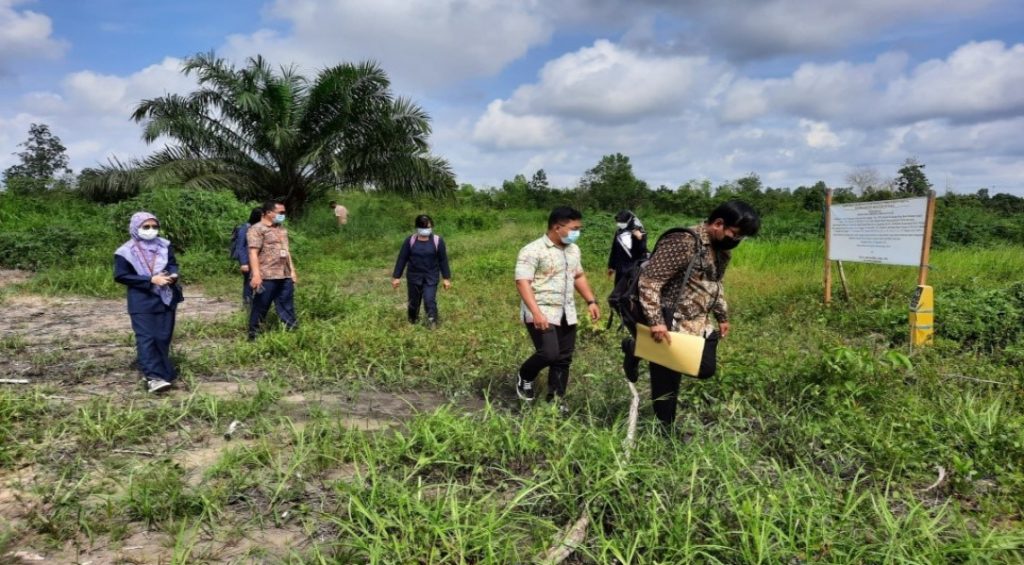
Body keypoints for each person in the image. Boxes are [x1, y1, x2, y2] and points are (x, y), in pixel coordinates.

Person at [631, 200, 760, 431]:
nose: (737, 240)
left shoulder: (720, 250)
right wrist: (656, 322)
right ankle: (665, 431)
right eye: (735, 233)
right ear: (718, 224)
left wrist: (722, 315)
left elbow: (715, 284)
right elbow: (650, 281)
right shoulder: (683, 241)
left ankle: (638, 347)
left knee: (705, 367)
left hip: (699, 322)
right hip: (670, 319)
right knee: (666, 380)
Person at [514, 206, 601, 412]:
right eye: (574, 228)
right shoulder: (532, 250)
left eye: (579, 228)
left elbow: (578, 275)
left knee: (563, 358)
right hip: (541, 309)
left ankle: (555, 400)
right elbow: (522, 282)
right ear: (557, 227)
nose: (577, 233)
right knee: (549, 353)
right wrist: (536, 313)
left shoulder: (573, 250)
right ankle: (525, 375)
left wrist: (591, 301)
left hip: (566, 311)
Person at [114, 212, 184, 393]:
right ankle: (153, 377)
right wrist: (150, 280)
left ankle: (163, 373)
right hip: (141, 300)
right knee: (146, 338)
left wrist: (173, 274)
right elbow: (121, 275)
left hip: (165, 297)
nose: (151, 230)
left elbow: (172, 264)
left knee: (163, 337)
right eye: (146, 227)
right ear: (135, 228)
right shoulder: (125, 251)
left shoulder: (164, 245)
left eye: (154, 226)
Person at [247, 199, 298, 340]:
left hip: (284, 274)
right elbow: (253, 253)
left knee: (287, 305)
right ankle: (254, 335)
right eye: (281, 212)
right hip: (267, 275)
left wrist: (292, 271)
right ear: (269, 213)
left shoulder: (281, 229)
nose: (283, 215)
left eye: (284, 213)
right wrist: (256, 275)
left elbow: (286, 251)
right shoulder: (256, 229)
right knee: (261, 306)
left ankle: (292, 333)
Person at [391, 214, 451, 328]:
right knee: (413, 302)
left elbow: (443, 260)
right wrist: (396, 277)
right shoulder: (410, 241)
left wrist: (446, 278)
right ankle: (413, 320)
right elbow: (402, 258)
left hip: (431, 276)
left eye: (428, 227)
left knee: (429, 300)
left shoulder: (437, 241)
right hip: (414, 277)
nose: (426, 229)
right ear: (417, 227)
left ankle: (432, 321)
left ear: (432, 226)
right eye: (423, 227)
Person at [231, 207, 263, 306]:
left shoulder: (258, 228)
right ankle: (247, 303)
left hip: (257, 259)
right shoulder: (244, 228)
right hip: (247, 260)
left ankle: (256, 303)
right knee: (248, 281)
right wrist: (243, 263)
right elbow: (240, 246)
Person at [607, 210, 648, 285]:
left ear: (629, 220)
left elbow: (642, 251)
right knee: (618, 289)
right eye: (618, 222)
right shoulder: (619, 232)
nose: (619, 224)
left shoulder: (639, 232)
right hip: (620, 268)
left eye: (622, 222)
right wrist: (611, 266)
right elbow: (614, 250)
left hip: (633, 269)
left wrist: (640, 239)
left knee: (630, 289)